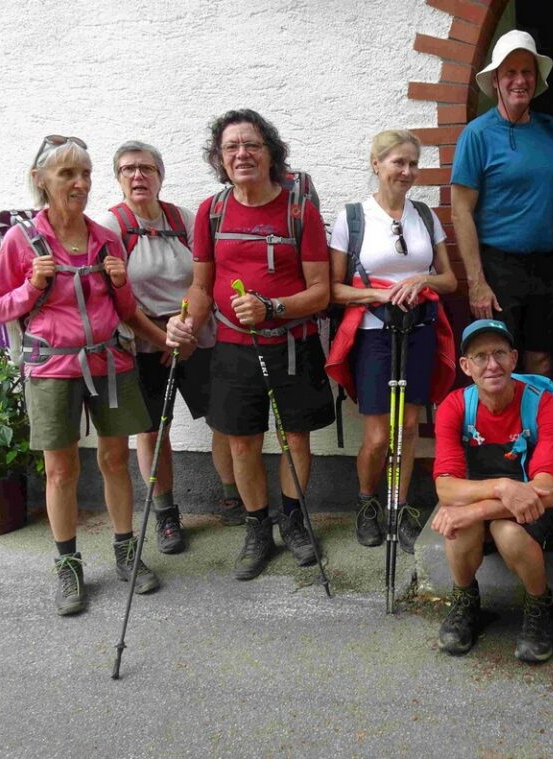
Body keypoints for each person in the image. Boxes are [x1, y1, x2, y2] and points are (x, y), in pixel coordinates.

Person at [0, 135, 159, 616]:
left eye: (84, 174)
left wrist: (121, 283)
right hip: (52, 366)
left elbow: (123, 310)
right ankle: (68, 565)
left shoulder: (105, 237)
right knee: (61, 470)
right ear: (41, 181)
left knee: (115, 461)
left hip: (108, 360)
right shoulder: (22, 241)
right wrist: (30, 285)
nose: (79, 183)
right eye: (67, 175)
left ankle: (125, 551)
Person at [165, 109, 334, 580]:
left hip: (292, 344)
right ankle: (258, 528)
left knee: (295, 437)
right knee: (242, 444)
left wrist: (272, 308)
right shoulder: (211, 212)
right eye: (231, 147)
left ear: (270, 152)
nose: (242, 154)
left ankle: (295, 522)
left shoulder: (300, 212)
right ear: (220, 159)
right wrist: (184, 322)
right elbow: (201, 288)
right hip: (234, 348)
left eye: (252, 145)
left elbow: (321, 291)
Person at [96, 141, 239, 555]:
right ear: (118, 178)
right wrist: (164, 339)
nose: (138, 176)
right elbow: (113, 297)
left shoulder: (183, 218)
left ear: (160, 175)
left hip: (196, 338)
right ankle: (166, 514)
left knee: (223, 420)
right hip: (144, 345)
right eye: (127, 170)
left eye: (146, 168)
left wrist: (187, 333)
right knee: (152, 430)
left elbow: (205, 280)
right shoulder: (111, 226)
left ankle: (233, 496)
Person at [326, 129, 457, 553]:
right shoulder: (353, 218)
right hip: (375, 334)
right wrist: (380, 293)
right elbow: (334, 290)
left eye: (413, 164)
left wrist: (422, 279)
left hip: (418, 330)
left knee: (409, 428)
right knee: (379, 436)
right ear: (376, 164)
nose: (407, 171)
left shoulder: (425, 214)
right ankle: (367, 504)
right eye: (398, 162)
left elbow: (450, 279)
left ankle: (399, 509)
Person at [451, 29, 553, 377]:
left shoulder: (552, 130)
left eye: (527, 71)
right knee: (499, 364)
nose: (520, 80)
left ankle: (537, 433)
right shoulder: (477, 135)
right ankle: (504, 434)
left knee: (541, 359)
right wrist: (477, 282)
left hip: (546, 265)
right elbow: (460, 211)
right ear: (496, 80)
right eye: (510, 72)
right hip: (498, 269)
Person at [430, 319, 553, 663]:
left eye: (500, 353)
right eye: (480, 356)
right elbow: (446, 488)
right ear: (465, 365)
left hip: (529, 512)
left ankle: (540, 606)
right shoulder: (455, 407)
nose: (492, 365)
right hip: (491, 496)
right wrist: (504, 488)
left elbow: (547, 492)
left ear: (515, 357)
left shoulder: (543, 403)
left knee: (506, 532)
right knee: (457, 527)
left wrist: (475, 510)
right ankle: (465, 602)